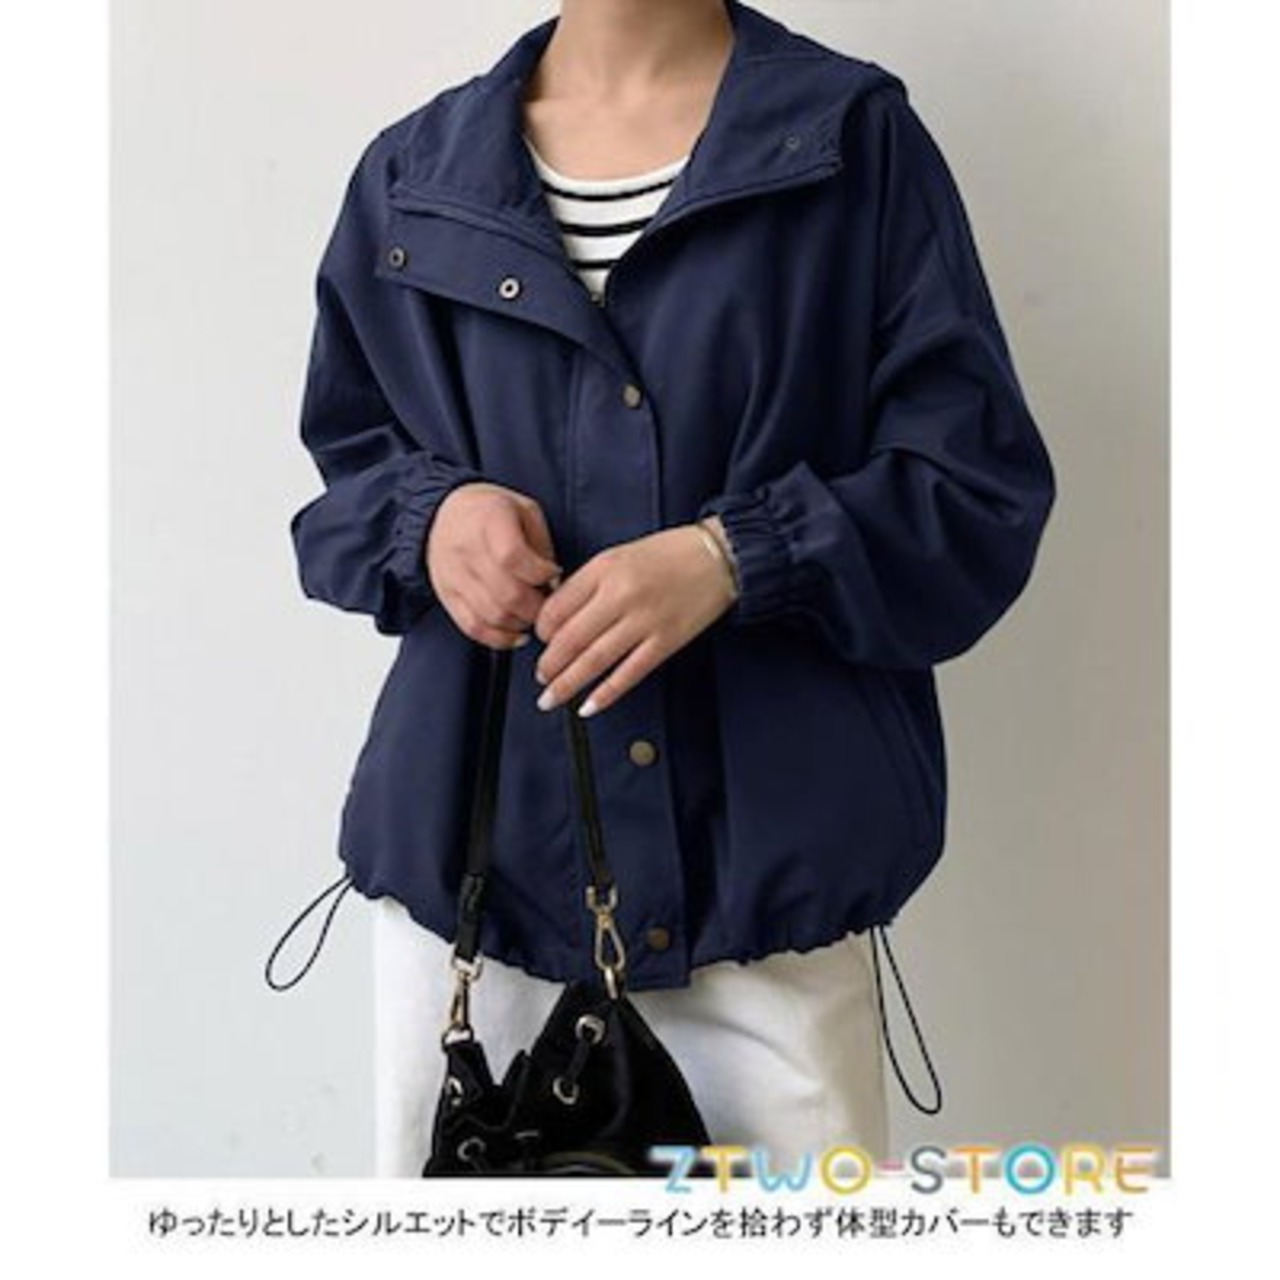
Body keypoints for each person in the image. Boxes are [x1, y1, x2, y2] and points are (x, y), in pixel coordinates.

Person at [268, 0, 1056, 1177]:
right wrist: (431, 522)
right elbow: (345, 482)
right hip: (477, 905)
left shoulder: (849, 139)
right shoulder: (415, 173)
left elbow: (971, 489)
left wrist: (738, 556)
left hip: (764, 906)